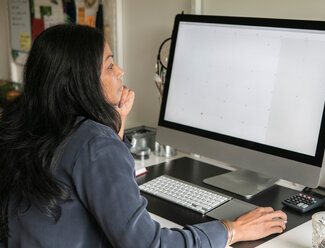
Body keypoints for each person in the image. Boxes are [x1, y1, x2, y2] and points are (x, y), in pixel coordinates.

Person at [0, 24, 287, 248]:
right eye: (110, 65)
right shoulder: (94, 143)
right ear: (80, 82)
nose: (121, 71)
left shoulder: (23, 122)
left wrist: (114, 128)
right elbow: (151, 244)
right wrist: (233, 229)